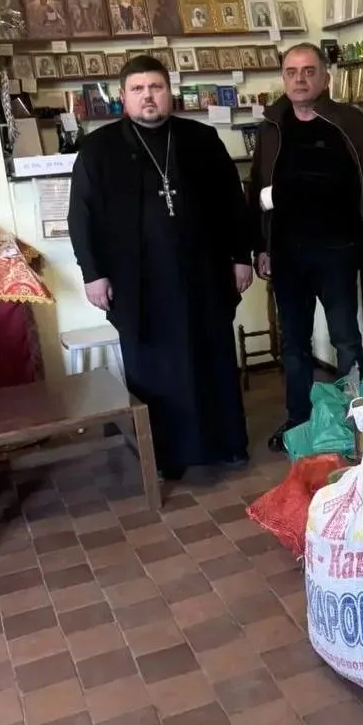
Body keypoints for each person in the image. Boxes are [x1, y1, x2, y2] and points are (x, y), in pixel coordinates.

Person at [68, 54, 254, 479]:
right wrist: (93, 273)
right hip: (138, 283)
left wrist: (240, 256)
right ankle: (165, 457)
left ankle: (226, 445)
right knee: (154, 368)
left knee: (212, 357)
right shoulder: (99, 149)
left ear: (169, 92)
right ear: (123, 96)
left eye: (155, 87)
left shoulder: (202, 139)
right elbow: (81, 216)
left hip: (203, 275)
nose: (148, 96)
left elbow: (231, 202)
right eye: (138, 89)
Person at [249, 42, 363, 453]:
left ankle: (357, 420)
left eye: (309, 71)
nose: (300, 79)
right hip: (287, 254)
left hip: (337, 250)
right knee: (294, 344)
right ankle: (299, 421)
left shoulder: (349, 123)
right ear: (283, 78)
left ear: (325, 77)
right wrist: (261, 246)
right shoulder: (272, 126)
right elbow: (256, 189)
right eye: (291, 72)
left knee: (346, 340)